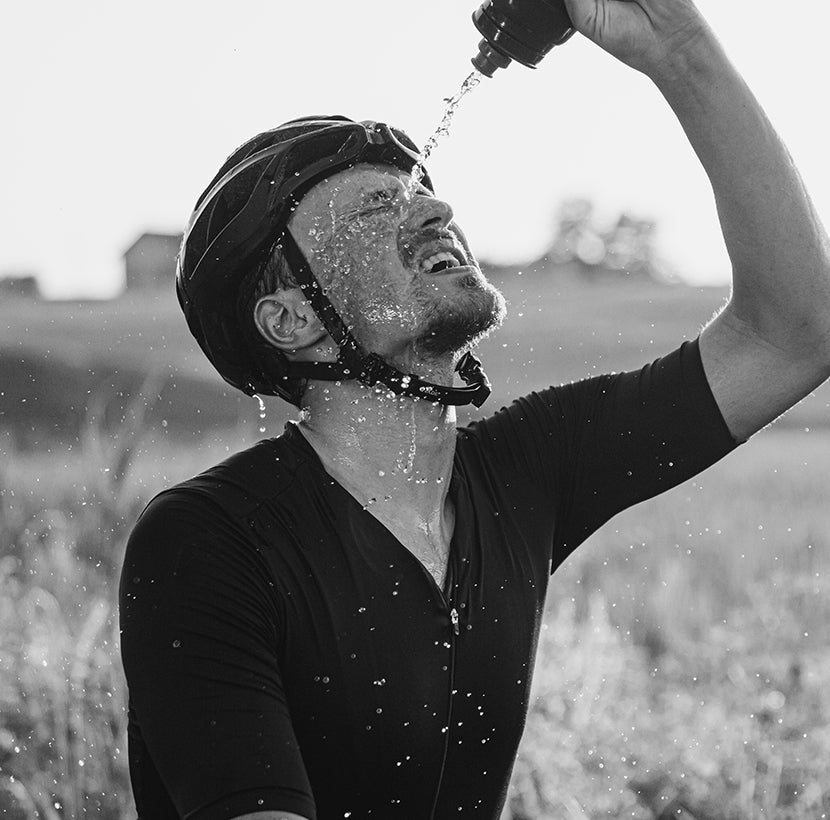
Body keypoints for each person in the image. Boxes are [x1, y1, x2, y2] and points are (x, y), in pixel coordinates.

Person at [118, 0, 830, 817]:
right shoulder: (210, 541)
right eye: (375, 209)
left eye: (421, 192)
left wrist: (679, 44)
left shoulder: (527, 469)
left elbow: (793, 333)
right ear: (294, 321)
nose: (436, 210)